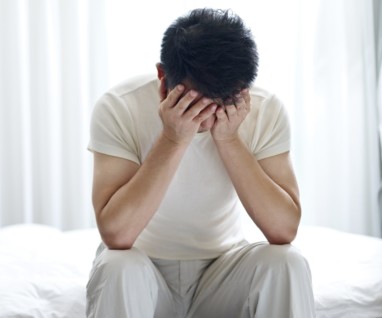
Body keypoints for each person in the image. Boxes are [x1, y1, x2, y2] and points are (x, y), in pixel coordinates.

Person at [86, 8, 315, 318]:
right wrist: (173, 139)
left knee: (289, 263)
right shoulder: (119, 106)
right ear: (163, 79)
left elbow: (284, 229)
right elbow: (116, 233)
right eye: (197, 104)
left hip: (224, 271)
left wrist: (229, 140)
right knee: (117, 266)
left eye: (225, 102)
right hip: (144, 269)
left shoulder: (263, 109)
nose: (210, 116)